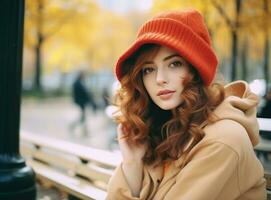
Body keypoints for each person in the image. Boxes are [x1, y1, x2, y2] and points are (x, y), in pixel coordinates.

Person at [106, 9, 266, 200]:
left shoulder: (223, 140)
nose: (159, 79)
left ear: (196, 69)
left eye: (174, 64)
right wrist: (132, 163)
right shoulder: (164, 132)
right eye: (149, 69)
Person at [70, 71, 96, 135]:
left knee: (83, 117)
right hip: (81, 102)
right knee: (83, 117)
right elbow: (82, 93)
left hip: (81, 102)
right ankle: (81, 129)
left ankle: (84, 130)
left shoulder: (78, 83)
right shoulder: (78, 83)